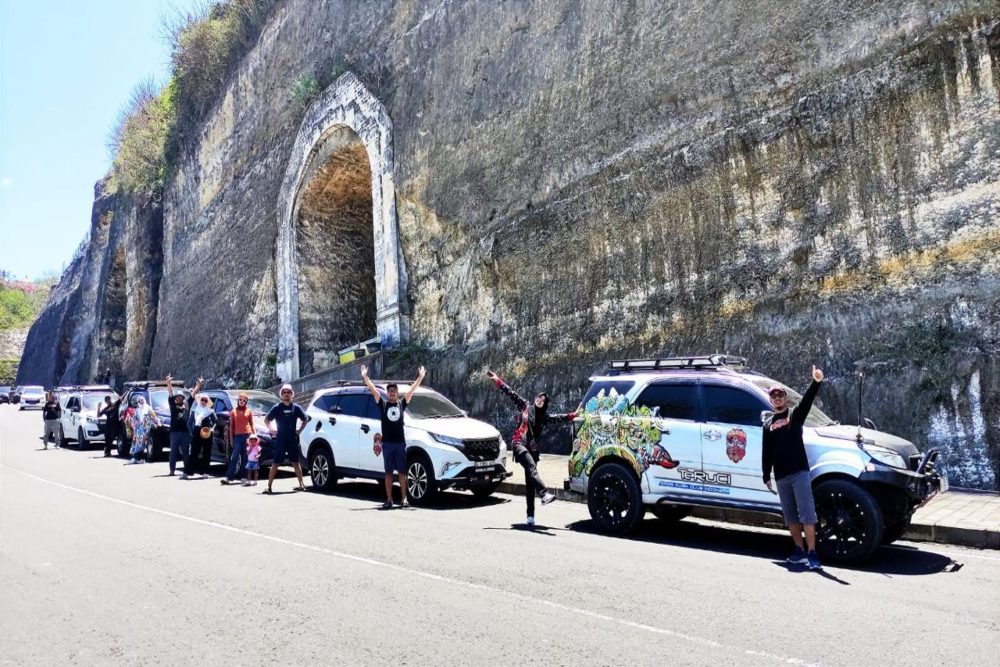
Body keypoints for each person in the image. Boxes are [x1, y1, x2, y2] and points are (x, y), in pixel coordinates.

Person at [486, 370, 576, 527]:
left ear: (545, 404)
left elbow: (558, 418)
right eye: (539, 397)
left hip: (533, 450)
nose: (540, 399)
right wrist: (498, 381)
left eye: (543, 399)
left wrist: (571, 416)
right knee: (531, 466)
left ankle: (530, 516)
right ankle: (544, 493)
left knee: (530, 481)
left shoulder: (544, 417)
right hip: (518, 444)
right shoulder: (525, 406)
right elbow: (510, 393)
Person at [762, 365, 825, 571]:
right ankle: (798, 550)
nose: (777, 398)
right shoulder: (768, 424)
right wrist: (766, 475)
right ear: (770, 400)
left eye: (780, 395)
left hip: (799, 472)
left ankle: (812, 552)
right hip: (781, 476)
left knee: (807, 513)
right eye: (774, 396)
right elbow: (767, 451)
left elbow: (806, 402)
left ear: (786, 398)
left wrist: (815, 382)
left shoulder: (794, 415)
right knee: (790, 516)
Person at [361, 364, 426, 509]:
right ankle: (389, 499)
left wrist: (420, 377)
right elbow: (373, 390)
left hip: (400, 443)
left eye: (394, 391)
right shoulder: (383, 405)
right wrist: (365, 377)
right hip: (388, 444)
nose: (392, 393)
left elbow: (412, 390)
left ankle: (404, 499)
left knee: (402, 472)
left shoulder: (402, 404)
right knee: (388, 473)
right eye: (390, 391)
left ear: (397, 393)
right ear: (387, 393)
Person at [263, 384, 308, 494]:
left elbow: (305, 419)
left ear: (292, 394)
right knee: (276, 463)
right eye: (284, 392)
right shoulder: (277, 408)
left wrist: (299, 431)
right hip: (280, 440)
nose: (286, 394)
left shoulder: (296, 408)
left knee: (295, 462)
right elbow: (266, 420)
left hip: (292, 439)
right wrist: (272, 430)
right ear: (281, 394)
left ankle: (301, 485)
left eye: (288, 392)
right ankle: (269, 487)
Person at [167, 375, 201, 477]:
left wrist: (199, 384)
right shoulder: (172, 405)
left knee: (186, 453)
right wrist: (168, 383)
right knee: (173, 452)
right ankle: (172, 471)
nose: (178, 398)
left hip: (185, 432)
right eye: (177, 397)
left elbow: (193, 394)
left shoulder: (187, 405)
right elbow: (170, 392)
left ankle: (186, 471)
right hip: (174, 433)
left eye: (180, 397)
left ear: (183, 398)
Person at [222, 392, 255, 485]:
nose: (242, 401)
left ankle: (244, 477)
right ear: (238, 400)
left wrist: (254, 436)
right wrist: (231, 439)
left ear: (246, 402)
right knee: (234, 457)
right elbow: (231, 427)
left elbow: (252, 424)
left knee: (246, 457)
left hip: (247, 436)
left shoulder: (249, 411)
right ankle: (228, 477)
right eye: (240, 399)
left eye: (244, 400)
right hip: (237, 437)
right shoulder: (233, 412)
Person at [185, 391, 216, 479]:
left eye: (205, 401)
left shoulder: (210, 411)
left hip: (207, 432)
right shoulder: (195, 411)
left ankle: (205, 472)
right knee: (194, 453)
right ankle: (187, 473)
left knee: (207, 453)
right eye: (202, 400)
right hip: (197, 431)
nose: (203, 402)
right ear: (200, 401)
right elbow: (189, 423)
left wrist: (212, 429)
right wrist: (192, 433)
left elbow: (215, 421)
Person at [127, 396, 162, 464]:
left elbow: (154, 416)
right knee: (137, 444)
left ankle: (137, 458)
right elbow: (134, 419)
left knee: (142, 444)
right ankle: (139, 458)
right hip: (139, 429)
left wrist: (158, 423)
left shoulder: (148, 408)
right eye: (139, 401)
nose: (141, 402)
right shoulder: (137, 409)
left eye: (142, 400)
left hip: (146, 429)